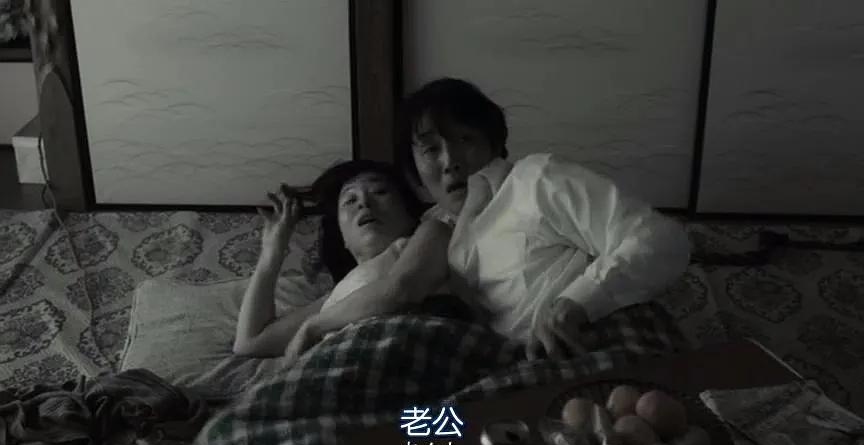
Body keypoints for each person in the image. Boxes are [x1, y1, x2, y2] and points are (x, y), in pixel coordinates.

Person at [395, 77, 692, 360]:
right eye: (431, 149)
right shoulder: (435, 235)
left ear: (493, 144)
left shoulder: (535, 180)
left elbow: (661, 239)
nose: (450, 162)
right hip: (520, 373)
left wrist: (577, 302)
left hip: (602, 342)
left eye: (465, 139)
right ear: (414, 169)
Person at [232, 160, 452, 358]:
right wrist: (272, 251)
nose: (364, 203)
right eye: (350, 200)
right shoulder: (336, 299)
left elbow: (399, 290)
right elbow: (249, 342)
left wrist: (312, 327)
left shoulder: (431, 233)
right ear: (342, 236)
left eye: (380, 192)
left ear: (409, 213)